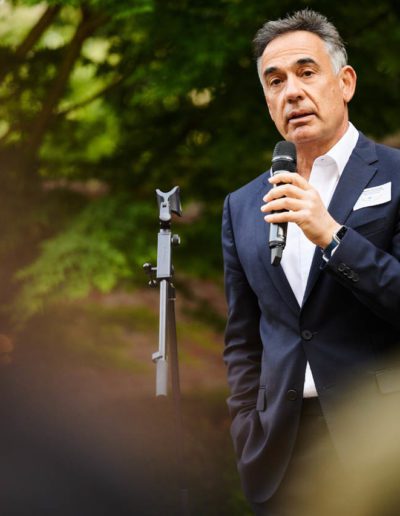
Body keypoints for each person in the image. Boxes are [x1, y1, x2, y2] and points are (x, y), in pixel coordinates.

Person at [222, 8, 400, 515]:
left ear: (345, 82)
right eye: (275, 81)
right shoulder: (242, 205)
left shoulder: (395, 175)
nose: (292, 92)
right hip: (281, 451)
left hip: (381, 441)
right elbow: (243, 337)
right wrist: (247, 424)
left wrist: (332, 236)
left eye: (306, 72)